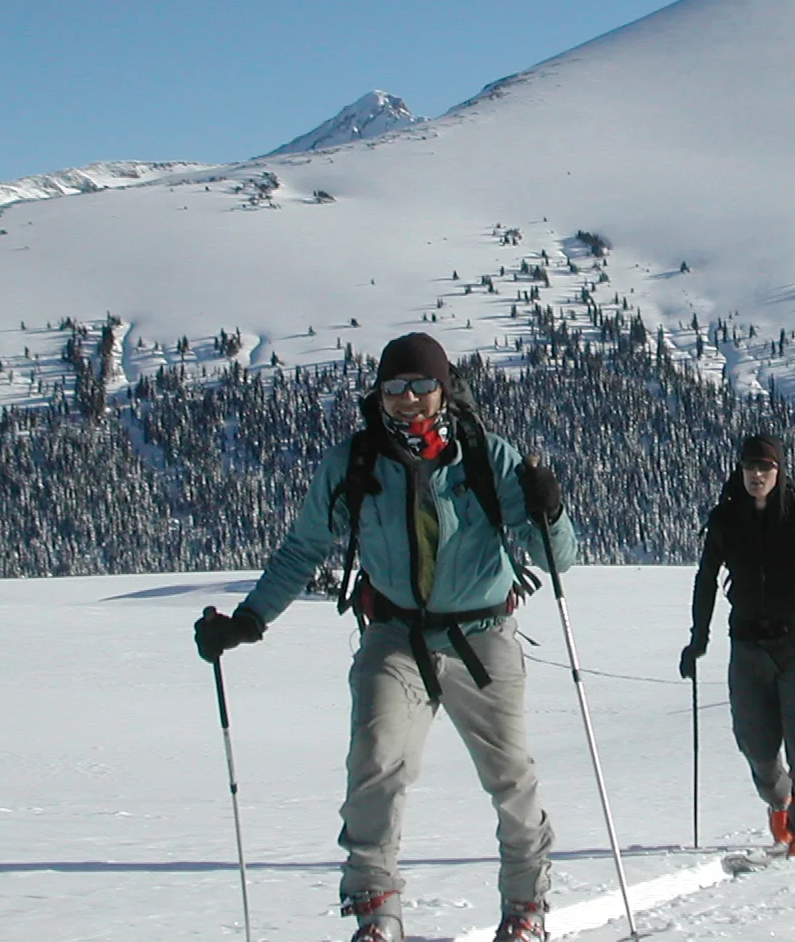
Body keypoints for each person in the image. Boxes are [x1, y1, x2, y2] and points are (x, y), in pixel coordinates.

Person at [193, 332, 576, 942]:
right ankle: (376, 910)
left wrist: (550, 512)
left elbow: (559, 558)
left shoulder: (488, 457)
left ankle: (526, 908)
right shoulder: (355, 462)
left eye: (422, 386)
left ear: (443, 389)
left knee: (510, 776)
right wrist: (250, 619)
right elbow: (303, 548)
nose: (408, 399)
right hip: (394, 636)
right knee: (375, 764)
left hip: (482, 638)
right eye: (394, 387)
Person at [679, 434, 795, 857]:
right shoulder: (726, 521)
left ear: (779, 472)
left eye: (765, 467)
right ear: (740, 471)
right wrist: (697, 640)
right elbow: (705, 580)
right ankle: (781, 801)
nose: (757, 475)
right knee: (755, 745)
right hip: (746, 647)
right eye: (750, 467)